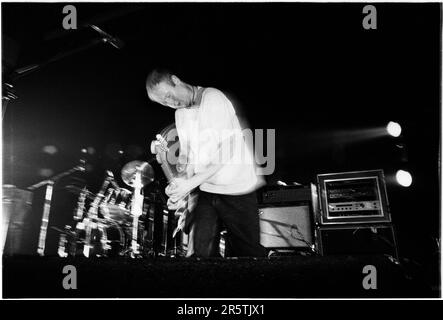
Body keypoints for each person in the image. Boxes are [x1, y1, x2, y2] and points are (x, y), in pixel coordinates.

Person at [146, 69, 266, 258]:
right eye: (164, 102)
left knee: (248, 254)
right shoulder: (180, 114)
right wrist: (180, 186)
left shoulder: (213, 98)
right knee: (197, 255)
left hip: (236, 187)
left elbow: (227, 150)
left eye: (169, 95)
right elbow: (188, 156)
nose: (170, 103)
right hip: (205, 189)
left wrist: (190, 183)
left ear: (176, 80)